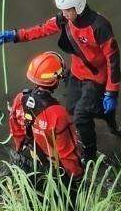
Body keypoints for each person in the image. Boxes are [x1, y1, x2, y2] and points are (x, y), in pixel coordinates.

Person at [0, 0, 121, 164]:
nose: (63, 14)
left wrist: (112, 91)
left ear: (78, 7)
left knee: (81, 116)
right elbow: (41, 29)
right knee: (72, 109)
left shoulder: (99, 26)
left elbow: (113, 59)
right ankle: (106, 116)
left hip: (96, 78)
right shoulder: (65, 20)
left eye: (67, 10)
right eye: (62, 10)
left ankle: (90, 156)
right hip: (77, 74)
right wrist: (16, 35)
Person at [8, 50, 84, 181]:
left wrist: (19, 149)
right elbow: (67, 153)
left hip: (26, 160)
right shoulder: (58, 114)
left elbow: (16, 131)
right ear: (56, 80)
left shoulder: (20, 99)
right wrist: (77, 177)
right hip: (51, 170)